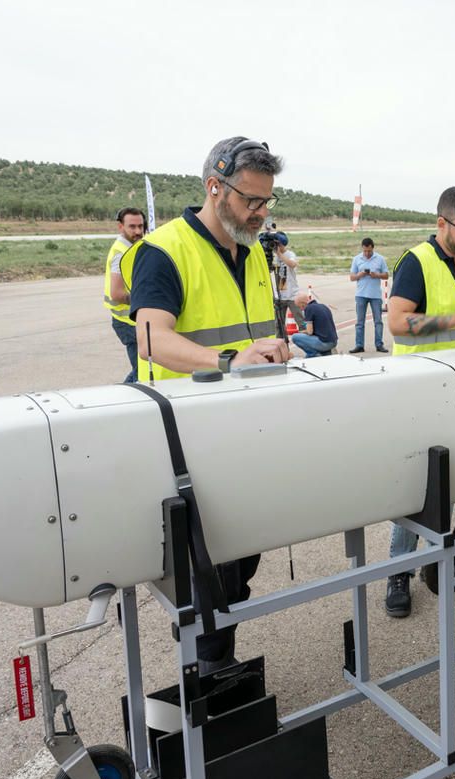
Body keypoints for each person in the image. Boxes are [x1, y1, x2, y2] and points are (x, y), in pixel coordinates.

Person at [124, 136, 290, 673]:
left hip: (248, 436)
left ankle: (213, 655)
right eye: (250, 201)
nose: (260, 214)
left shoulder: (253, 251)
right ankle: (207, 685)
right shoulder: (164, 251)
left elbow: (256, 333)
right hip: (188, 443)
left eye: (267, 202)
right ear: (214, 188)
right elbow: (151, 340)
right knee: (208, 579)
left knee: (237, 568)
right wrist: (228, 359)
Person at [383, 186, 455, 617]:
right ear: (442, 223)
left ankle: (451, 553)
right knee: (418, 489)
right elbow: (396, 324)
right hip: (421, 393)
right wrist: (453, 320)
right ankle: (400, 570)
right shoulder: (417, 262)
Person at [104, 207, 146, 382]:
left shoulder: (132, 247)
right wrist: (146, 299)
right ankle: (121, 400)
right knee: (141, 373)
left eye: (141, 226)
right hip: (127, 323)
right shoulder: (122, 253)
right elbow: (117, 293)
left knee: (141, 370)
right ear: (120, 227)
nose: (138, 231)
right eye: (132, 227)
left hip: (131, 321)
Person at [349, 237, 389, 353]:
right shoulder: (356, 259)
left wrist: (376, 275)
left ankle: (379, 344)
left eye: (369, 251)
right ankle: (359, 345)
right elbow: (352, 277)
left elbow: (386, 275)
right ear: (362, 248)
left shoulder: (380, 259)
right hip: (361, 294)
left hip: (375, 295)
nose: (367, 253)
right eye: (365, 251)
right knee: (360, 322)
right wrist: (360, 274)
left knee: (378, 321)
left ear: (373, 248)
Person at [271, 233, 305, 339]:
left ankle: (308, 342)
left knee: (301, 321)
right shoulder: (274, 257)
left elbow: (293, 264)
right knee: (279, 325)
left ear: (281, 244)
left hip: (292, 295)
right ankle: (283, 346)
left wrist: (280, 255)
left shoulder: (290, 254)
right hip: (279, 295)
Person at [290, 291, 337, 357]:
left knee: (295, 337)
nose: (300, 309)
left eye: (299, 306)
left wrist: (302, 332)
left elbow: (310, 332)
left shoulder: (309, 309)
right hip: (333, 341)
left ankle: (314, 354)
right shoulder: (323, 306)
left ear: (303, 304)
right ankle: (323, 354)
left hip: (324, 343)